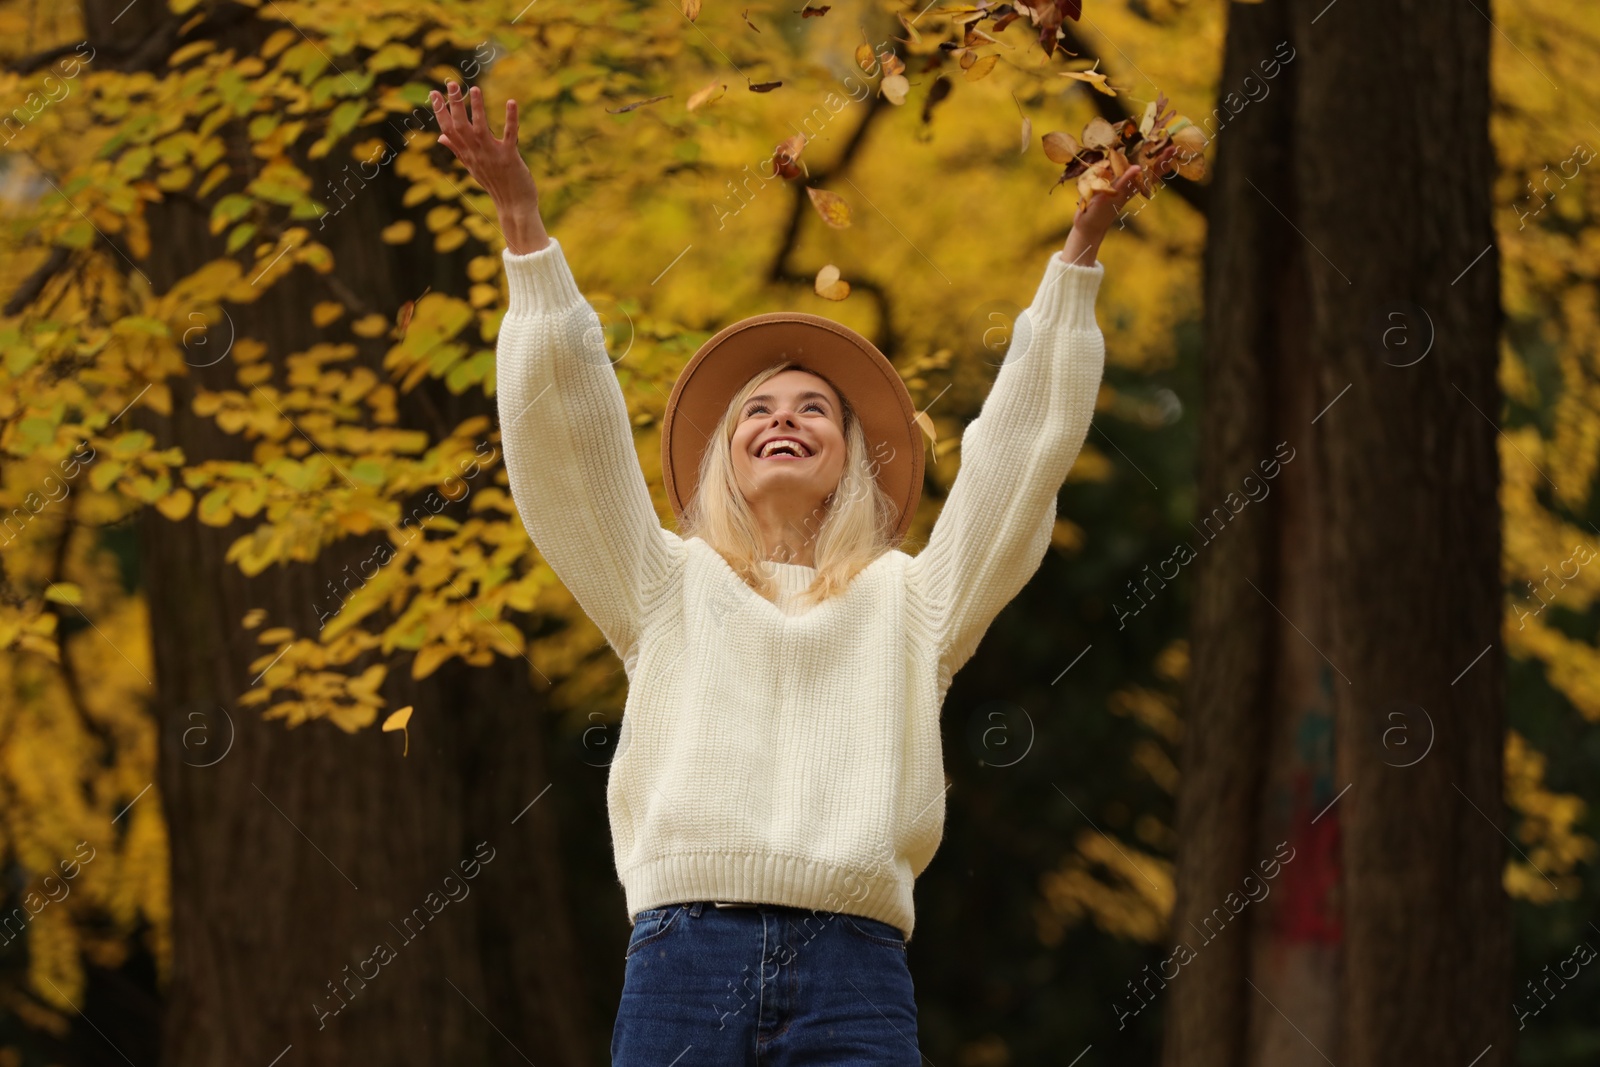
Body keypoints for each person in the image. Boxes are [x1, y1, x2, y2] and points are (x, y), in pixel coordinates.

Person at [431, 79, 1176, 1065]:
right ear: (725, 459)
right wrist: (520, 220)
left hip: (854, 972)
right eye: (758, 407)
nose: (784, 416)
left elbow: (1016, 456)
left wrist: (1078, 252)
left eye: (813, 407)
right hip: (682, 961)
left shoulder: (914, 601)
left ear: (852, 460)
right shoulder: (662, 584)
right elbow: (566, 436)